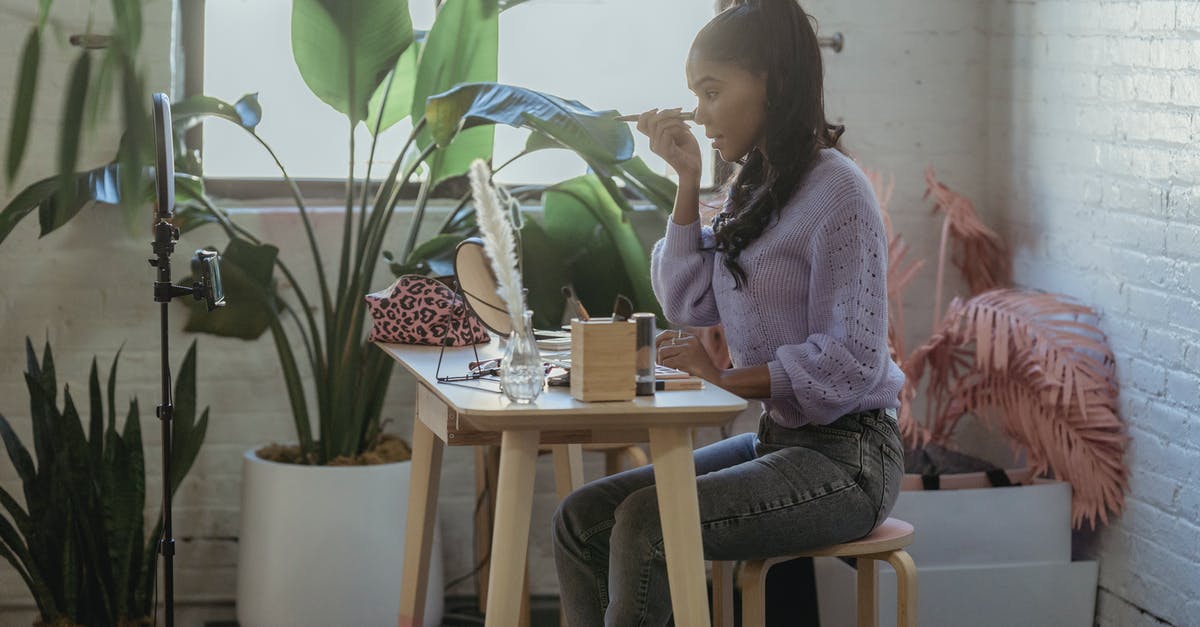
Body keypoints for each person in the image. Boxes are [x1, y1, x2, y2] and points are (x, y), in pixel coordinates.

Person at [551, 0, 906, 624]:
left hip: (850, 459)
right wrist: (687, 183)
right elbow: (688, 303)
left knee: (647, 521)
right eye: (695, 94)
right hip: (779, 441)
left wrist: (726, 381)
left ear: (772, 80)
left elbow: (852, 361)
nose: (698, 112)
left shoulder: (839, 191)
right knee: (583, 520)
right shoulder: (751, 190)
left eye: (712, 92)